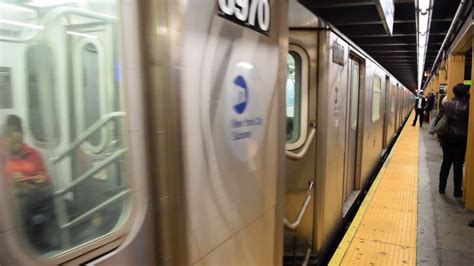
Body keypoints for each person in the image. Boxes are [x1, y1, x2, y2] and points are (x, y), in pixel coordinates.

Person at [1, 114, 57, 252]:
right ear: (6, 139)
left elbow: (46, 179)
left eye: (20, 142)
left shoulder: (33, 154)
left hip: (36, 194)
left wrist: (42, 180)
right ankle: (30, 248)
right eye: (14, 143)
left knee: (54, 198)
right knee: (22, 204)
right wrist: (11, 184)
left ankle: (48, 243)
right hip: (12, 198)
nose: (18, 146)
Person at [435, 83, 470, 197]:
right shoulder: (469, 106)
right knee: (458, 165)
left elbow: (438, 119)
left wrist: (439, 135)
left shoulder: (446, 104)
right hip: (461, 139)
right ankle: (457, 191)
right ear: (465, 94)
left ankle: (441, 188)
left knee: (446, 163)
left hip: (447, 138)